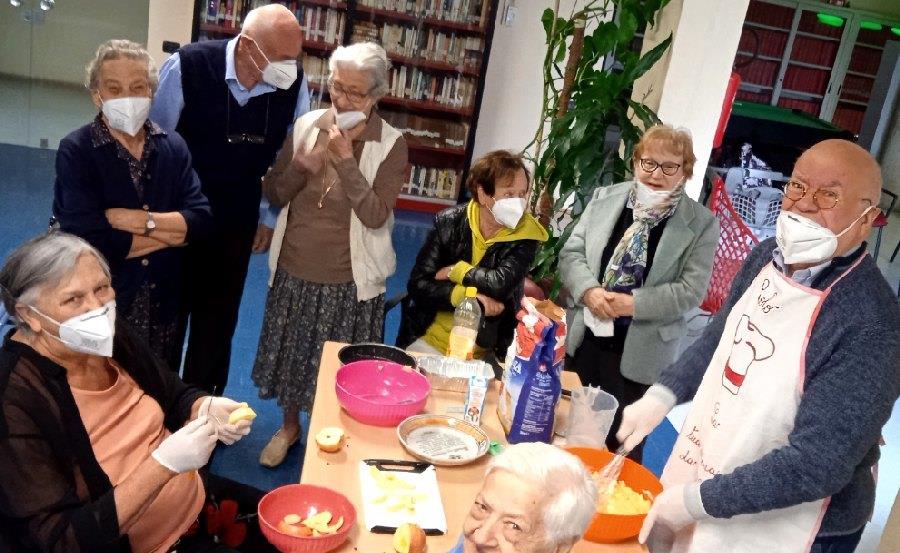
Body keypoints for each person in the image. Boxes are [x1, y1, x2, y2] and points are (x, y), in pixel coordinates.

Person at [616, 140, 900, 552]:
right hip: (721, 467)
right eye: (798, 186)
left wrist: (698, 501)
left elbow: (818, 464)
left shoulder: (871, 321)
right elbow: (721, 335)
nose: (805, 204)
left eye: (829, 195)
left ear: (866, 219)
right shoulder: (767, 255)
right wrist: (663, 394)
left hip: (802, 527)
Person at [0, 233, 274, 553]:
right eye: (73, 299)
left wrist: (202, 406)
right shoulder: (14, 399)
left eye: (101, 288)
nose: (96, 308)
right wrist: (163, 464)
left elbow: (170, 392)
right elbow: (60, 541)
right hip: (147, 544)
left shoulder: (102, 335)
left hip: (195, 499)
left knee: (301, 526)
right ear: (29, 314)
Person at [252, 41, 408, 467]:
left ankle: (334, 438)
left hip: (349, 279)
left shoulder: (391, 145)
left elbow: (376, 215)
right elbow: (275, 192)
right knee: (291, 356)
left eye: (355, 92)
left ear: (377, 96)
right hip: (294, 265)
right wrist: (300, 169)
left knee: (340, 368)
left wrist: (346, 163)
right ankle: (289, 427)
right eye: (337, 87)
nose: (341, 99)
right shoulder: (306, 125)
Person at [150, 4, 311, 394]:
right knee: (168, 315)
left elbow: (291, 156)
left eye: (296, 57)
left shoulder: (293, 83)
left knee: (218, 321)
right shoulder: (186, 67)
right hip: (179, 213)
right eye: (284, 58)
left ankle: (203, 410)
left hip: (237, 215)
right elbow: (156, 144)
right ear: (249, 47)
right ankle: (158, 403)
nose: (291, 67)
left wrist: (269, 217)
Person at [558, 124, 718, 462]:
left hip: (640, 355)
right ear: (635, 162)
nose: (656, 174)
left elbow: (691, 291)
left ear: (685, 171)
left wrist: (633, 304)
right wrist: (589, 291)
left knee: (621, 447)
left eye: (669, 166)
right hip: (585, 339)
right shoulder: (606, 198)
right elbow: (572, 253)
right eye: (648, 163)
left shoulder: (701, 223)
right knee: (567, 432)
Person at [53, 39, 212, 370]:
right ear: (97, 94)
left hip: (164, 300)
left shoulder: (173, 146)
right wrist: (172, 232)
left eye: (138, 87)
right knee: (104, 387)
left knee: (159, 385)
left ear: (151, 92)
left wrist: (139, 221)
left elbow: (199, 221)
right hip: (103, 303)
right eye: (115, 89)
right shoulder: (77, 150)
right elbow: (90, 241)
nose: (128, 98)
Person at [398, 150, 549, 362]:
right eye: (508, 194)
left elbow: (499, 284)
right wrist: (467, 297)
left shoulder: (526, 236)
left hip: (484, 352)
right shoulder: (449, 223)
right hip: (430, 340)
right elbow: (418, 284)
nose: (518, 202)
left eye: (522, 194)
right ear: (483, 194)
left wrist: (456, 271)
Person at [447, 442, 598, 553]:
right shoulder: (476, 542)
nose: (480, 537)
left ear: (559, 547)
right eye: (483, 507)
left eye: (514, 526)